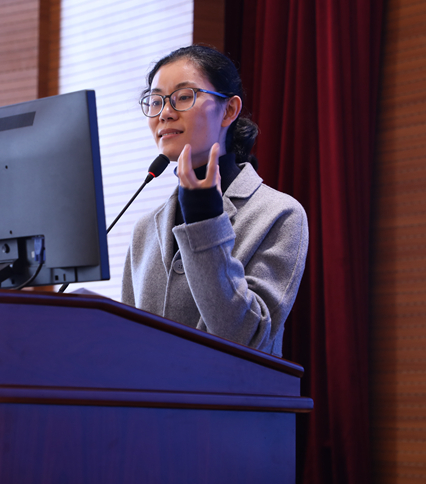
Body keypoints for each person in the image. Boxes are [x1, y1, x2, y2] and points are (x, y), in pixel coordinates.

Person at [121, 45, 308, 357]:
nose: (165, 113)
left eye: (183, 97)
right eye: (155, 101)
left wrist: (204, 220)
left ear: (229, 110)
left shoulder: (279, 213)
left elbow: (248, 340)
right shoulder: (144, 228)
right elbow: (127, 344)